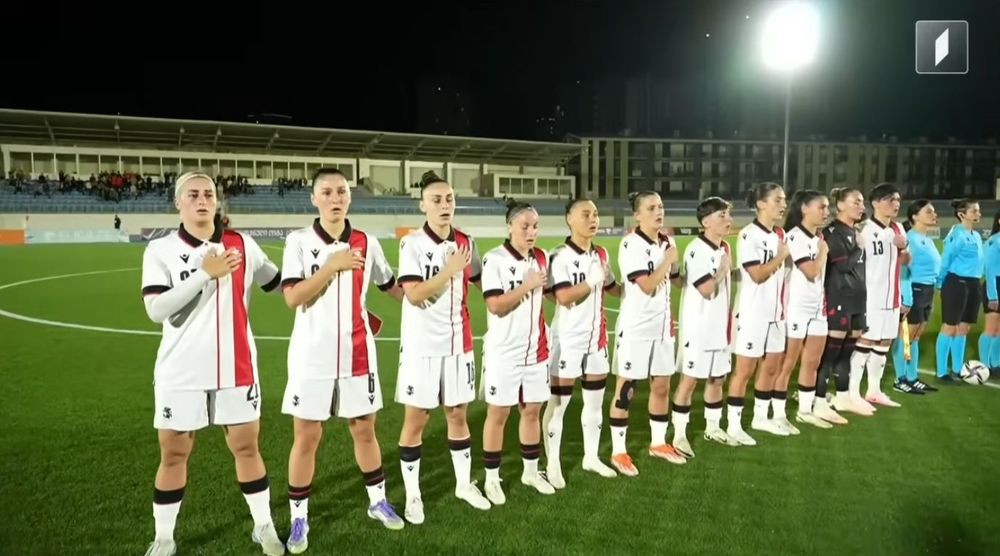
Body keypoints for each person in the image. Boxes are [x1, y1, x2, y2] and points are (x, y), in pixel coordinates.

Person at [140, 172, 284, 556]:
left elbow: (281, 285)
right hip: (180, 370)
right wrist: (205, 273)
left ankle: (264, 526)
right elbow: (156, 309)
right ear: (178, 203)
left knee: (246, 447)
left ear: (217, 201)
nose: (202, 200)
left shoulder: (243, 244)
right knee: (173, 453)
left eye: (208, 194)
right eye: (193, 194)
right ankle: (164, 537)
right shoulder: (160, 250)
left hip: (237, 368)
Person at [280, 168, 406, 554]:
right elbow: (293, 297)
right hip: (311, 357)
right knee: (307, 437)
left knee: (364, 431)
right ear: (314, 199)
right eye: (327, 192)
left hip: (358, 354)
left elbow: (391, 286)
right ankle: (299, 517)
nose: (335, 198)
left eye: (342, 192)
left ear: (350, 198)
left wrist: (428, 297)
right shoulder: (298, 241)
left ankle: (377, 501)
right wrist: (331, 266)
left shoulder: (367, 242)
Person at [395, 171, 491, 525]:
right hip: (421, 346)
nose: (444, 205)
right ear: (423, 205)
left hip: (458, 344)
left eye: (449, 199)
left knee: (457, 414)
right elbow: (414, 294)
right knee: (416, 419)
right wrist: (449, 270)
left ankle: (464, 485)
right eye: (436, 200)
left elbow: (483, 282)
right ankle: (413, 495)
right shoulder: (411, 243)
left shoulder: (466, 241)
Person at [541, 198, 621, 487]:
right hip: (567, 340)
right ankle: (552, 464)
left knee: (595, 403)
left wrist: (637, 289)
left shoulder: (601, 253)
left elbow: (612, 288)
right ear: (569, 219)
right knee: (558, 404)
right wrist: (589, 282)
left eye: (596, 214)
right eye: (586, 214)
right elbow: (562, 297)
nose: (593, 219)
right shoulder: (559, 255)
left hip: (596, 339)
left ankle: (591, 457)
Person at [479, 200, 555, 504]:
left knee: (532, 411)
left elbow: (549, 296)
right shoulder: (494, 259)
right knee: (498, 413)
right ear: (510, 226)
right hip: (504, 353)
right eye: (525, 226)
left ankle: (531, 472)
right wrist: (527, 285)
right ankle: (491, 478)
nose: (531, 232)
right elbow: (495, 306)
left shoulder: (542, 257)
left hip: (536, 351)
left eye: (535, 226)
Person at [608, 191, 685, 476]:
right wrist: (668, 260)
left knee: (662, 386)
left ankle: (658, 443)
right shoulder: (631, 244)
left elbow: (674, 280)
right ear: (637, 215)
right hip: (636, 329)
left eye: (660, 206)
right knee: (626, 391)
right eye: (651, 208)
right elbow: (648, 285)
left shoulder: (667, 241)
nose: (658, 212)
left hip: (662, 329)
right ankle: (619, 451)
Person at [671, 197, 736, 458]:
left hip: (719, 326)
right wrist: (722, 271)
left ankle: (713, 427)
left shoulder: (723, 248)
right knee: (689, 381)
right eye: (722, 215)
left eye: (728, 214)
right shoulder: (697, 250)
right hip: (698, 328)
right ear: (706, 222)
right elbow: (707, 289)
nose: (728, 220)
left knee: (717, 378)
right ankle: (679, 434)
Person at [728, 183, 791, 444]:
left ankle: (760, 418)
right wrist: (781, 257)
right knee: (744, 371)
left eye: (784, 200)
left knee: (772, 367)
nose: (783, 205)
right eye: (778, 200)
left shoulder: (779, 234)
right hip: (753, 314)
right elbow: (757, 275)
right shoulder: (748, 235)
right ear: (761, 204)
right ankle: (733, 426)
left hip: (776, 314)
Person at [775, 190, 834, 428]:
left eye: (827, 207)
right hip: (796, 308)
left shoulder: (818, 236)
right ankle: (778, 414)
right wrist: (823, 252)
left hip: (817, 307)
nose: (826, 212)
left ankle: (805, 411)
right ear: (804, 209)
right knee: (787, 363)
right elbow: (810, 271)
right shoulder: (795, 237)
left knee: (812, 362)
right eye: (821, 207)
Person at [817, 187, 869, 421]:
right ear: (840, 205)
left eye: (862, 202)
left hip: (857, 299)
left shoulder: (854, 231)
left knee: (847, 353)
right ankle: (818, 400)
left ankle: (842, 396)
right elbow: (844, 266)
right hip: (839, 297)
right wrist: (859, 247)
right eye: (856, 202)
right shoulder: (832, 232)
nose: (861, 206)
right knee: (830, 354)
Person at [856, 183, 909, 408]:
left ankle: (874, 391)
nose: (895, 204)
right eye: (890, 200)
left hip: (892, 297)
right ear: (876, 203)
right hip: (871, 297)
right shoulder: (864, 229)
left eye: (897, 200)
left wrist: (902, 248)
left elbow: (906, 261)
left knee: (885, 342)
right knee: (865, 342)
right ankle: (852, 393)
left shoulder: (898, 228)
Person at [892, 200, 941, 394]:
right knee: (905, 337)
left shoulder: (927, 239)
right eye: (928, 212)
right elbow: (903, 270)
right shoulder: (909, 239)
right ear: (914, 216)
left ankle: (912, 377)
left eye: (934, 212)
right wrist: (906, 298)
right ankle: (900, 379)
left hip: (927, 291)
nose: (934, 215)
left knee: (916, 337)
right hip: (915, 290)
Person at [935, 199, 984, 382]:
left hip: (973, 284)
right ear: (962, 214)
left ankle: (957, 369)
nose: (978, 214)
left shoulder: (976, 235)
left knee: (963, 328)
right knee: (950, 327)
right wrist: (940, 282)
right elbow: (945, 259)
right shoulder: (957, 234)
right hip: (957, 283)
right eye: (974, 211)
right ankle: (941, 372)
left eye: (978, 211)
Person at [980, 209, 1000, 376]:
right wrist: (992, 296)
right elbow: (990, 270)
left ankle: (996, 363)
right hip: (995, 285)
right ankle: (984, 365)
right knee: (991, 328)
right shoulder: (994, 241)